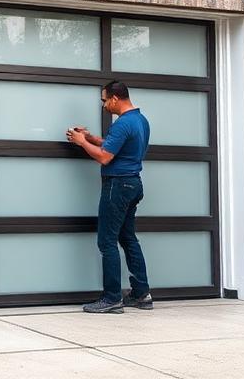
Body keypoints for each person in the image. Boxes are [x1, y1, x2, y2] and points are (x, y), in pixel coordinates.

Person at [66, 80, 152, 314]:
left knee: (107, 240)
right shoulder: (140, 120)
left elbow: (105, 157)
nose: (104, 105)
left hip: (118, 185)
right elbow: (114, 146)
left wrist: (81, 142)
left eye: (104, 100)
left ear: (115, 99)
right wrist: (91, 137)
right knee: (128, 238)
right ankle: (141, 294)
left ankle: (112, 297)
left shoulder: (123, 123)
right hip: (133, 184)